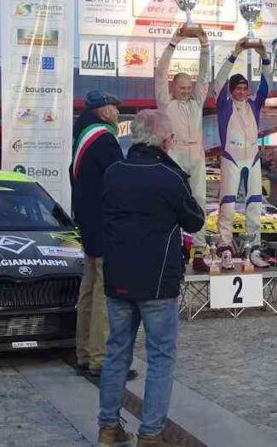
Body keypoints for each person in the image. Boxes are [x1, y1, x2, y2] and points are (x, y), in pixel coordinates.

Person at [98, 110, 204, 447]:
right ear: (162, 139)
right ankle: (151, 434)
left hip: (118, 278)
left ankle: (108, 428)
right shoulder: (168, 176)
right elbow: (195, 221)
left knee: (116, 353)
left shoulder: (114, 172)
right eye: (170, 135)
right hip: (158, 281)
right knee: (160, 357)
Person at [70, 90, 131, 382]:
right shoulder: (103, 139)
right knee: (104, 292)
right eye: (114, 107)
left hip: (88, 223)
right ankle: (101, 358)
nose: (118, 113)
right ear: (103, 111)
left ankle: (83, 352)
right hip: (105, 223)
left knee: (89, 287)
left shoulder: (81, 136)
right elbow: (120, 180)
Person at [155, 25, 211, 272]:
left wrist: (205, 47)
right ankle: (174, 250)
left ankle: (199, 252)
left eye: (189, 88)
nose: (187, 92)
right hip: (174, 153)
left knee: (199, 201)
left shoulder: (197, 102)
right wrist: (173, 43)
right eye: (182, 88)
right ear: (173, 88)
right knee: (173, 202)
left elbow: (204, 76)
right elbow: (159, 72)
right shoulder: (166, 102)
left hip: (197, 154)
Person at [213, 38, 272, 268]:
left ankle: (253, 249)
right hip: (231, 159)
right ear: (232, 91)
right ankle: (225, 248)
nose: (242, 91)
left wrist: (264, 56)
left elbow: (267, 83)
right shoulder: (224, 106)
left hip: (253, 159)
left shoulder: (254, 105)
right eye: (238, 88)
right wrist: (234, 55)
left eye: (245, 88)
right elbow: (218, 82)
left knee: (255, 205)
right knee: (227, 204)